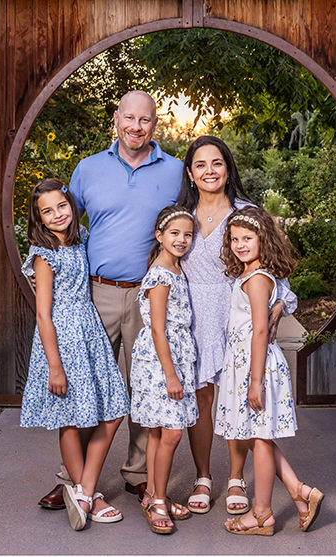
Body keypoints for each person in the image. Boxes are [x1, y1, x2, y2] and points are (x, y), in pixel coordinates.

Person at [38, 91, 184, 509]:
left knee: (145, 387)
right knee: (88, 387)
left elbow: (189, 225)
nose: (136, 127)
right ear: (116, 119)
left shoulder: (174, 172)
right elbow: (64, 225)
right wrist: (54, 281)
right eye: (129, 118)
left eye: (146, 120)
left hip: (149, 296)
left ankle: (139, 475)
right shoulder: (87, 169)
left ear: (155, 124)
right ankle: (74, 479)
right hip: (96, 293)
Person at [175, 135, 297, 515]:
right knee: (202, 398)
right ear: (191, 174)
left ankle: (235, 478)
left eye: (216, 163)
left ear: (228, 169)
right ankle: (202, 476)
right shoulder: (181, 216)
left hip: (236, 319)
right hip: (193, 317)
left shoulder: (247, 212)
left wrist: (278, 305)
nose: (209, 171)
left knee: (234, 398)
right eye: (200, 165)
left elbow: (277, 274)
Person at [19, 178, 129, 531]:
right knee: (69, 417)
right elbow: (42, 314)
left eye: (61, 206)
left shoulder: (81, 242)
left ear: (71, 204)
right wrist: (55, 366)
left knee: (113, 409)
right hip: (62, 338)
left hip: (90, 330)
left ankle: (84, 489)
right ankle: (91, 498)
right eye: (47, 211)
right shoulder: (44, 254)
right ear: (38, 218)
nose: (57, 215)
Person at [215, 205, 323, 535]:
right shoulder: (250, 275)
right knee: (252, 436)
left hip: (254, 366)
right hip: (246, 365)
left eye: (248, 238)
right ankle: (299, 491)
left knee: (259, 439)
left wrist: (255, 381)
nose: (240, 244)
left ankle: (261, 513)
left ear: (264, 240)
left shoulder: (258, 279)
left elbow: (260, 330)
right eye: (234, 239)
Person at [130, 205, 200, 534]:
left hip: (177, 356)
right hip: (162, 361)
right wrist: (171, 374)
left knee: (159, 431)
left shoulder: (176, 268)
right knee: (171, 432)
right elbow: (158, 329)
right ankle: (157, 500)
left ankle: (154, 496)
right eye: (174, 233)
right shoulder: (160, 274)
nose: (182, 239)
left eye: (188, 234)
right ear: (160, 236)